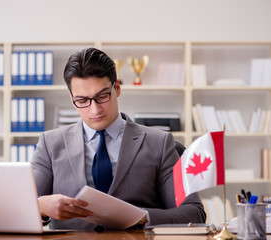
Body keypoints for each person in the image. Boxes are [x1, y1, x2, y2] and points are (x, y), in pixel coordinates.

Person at [31, 47, 206, 230]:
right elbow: (19, 208)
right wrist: (41, 206)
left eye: (102, 96)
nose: (95, 110)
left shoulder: (159, 143)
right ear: (71, 98)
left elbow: (194, 212)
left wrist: (143, 217)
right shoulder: (50, 144)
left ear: (117, 88)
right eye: (82, 100)